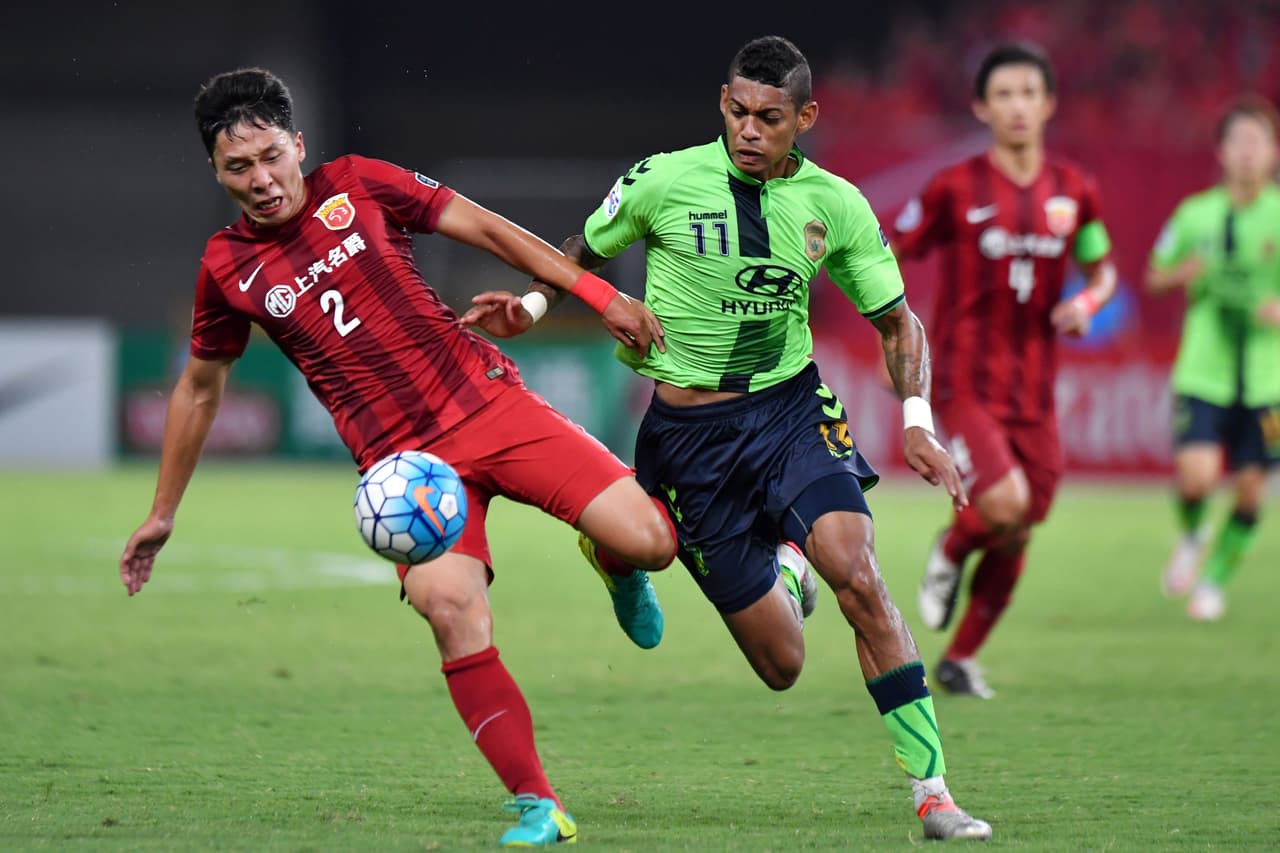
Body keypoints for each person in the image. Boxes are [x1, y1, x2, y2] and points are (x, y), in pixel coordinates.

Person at [117, 67, 680, 848]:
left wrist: (598, 294)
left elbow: (485, 229)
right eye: (238, 167)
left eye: (271, 156)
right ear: (215, 171)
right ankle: (538, 803)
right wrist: (161, 512)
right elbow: (200, 388)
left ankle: (613, 559)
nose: (262, 180)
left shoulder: (360, 185)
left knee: (652, 539)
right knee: (450, 610)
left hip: (490, 404)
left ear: (298, 145)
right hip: (406, 471)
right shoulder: (227, 266)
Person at [461, 35, 991, 841]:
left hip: (789, 412)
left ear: (804, 118)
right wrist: (532, 311)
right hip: (689, 440)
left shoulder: (836, 204)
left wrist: (917, 421)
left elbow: (896, 319)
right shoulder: (663, 179)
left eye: (770, 118)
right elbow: (578, 250)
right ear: (722, 103)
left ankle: (934, 793)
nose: (749, 130)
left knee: (858, 575)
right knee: (783, 666)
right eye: (738, 112)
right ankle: (624, 556)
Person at [890, 43, 1117, 698]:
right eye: (1004, 95)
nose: (1018, 106)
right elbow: (890, 253)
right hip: (964, 383)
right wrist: (895, 335)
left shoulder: (1076, 192)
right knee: (1006, 503)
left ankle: (960, 658)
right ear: (981, 107)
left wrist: (1087, 300)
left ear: (1048, 104)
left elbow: (1102, 270)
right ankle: (952, 549)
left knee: (1022, 522)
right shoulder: (953, 188)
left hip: (1036, 392)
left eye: (1029, 93)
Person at [1147, 94, 1280, 621]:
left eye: (1258, 141)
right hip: (1205, 366)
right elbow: (1155, 276)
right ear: (1221, 151)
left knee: (1250, 490)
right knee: (1196, 479)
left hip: (1269, 377)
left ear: (1273, 152)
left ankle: (1215, 581)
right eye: (1239, 141)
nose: (1248, 152)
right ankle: (1193, 532)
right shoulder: (1195, 214)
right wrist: (1184, 274)